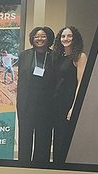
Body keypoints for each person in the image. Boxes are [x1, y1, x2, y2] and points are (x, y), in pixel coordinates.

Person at [17, 26, 75, 164]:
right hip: (26, 103)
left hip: (47, 105)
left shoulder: (55, 56)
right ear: (32, 38)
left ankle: (40, 166)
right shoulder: (24, 55)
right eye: (37, 36)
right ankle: (23, 164)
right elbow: (20, 80)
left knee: (43, 138)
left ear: (48, 38)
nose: (40, 39)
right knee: (25, 136)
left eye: (43, 36)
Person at [52, 25, 88, 162]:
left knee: (64, 141)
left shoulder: (80, 56)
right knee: (57, 140)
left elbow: (81, 83)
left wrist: (74, 107)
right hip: (57, 103)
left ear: (75, 38)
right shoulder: (59, 57)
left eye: (69, 36)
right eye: (63, 36)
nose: (65, 39)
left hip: (68, 103)